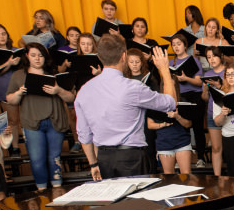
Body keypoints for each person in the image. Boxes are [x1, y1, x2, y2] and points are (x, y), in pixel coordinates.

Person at [75, 34, 177, 179]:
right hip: (131, 157)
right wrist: (165, 70)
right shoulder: (132, 87)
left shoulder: (84, 90)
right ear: (124, 56)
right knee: (136, 201)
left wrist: (93, 164)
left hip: (103, 158)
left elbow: (84, 135)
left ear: (100, 57)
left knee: (114, 202)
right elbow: (170, 103)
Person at [7, 43, 75, 190]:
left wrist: (58, 90)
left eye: (40, 55)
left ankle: (58, 190)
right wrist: (19, 92)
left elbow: (71, 98)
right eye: (33, 55)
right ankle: (42, 191)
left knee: (54, 158)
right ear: (27, 56)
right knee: (37, 160)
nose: (37, 59)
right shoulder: (19, 75)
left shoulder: (55, 73)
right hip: (32, 122)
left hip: (55, 121)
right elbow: (10, 100)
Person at [168, 32, 206, 168]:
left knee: (197, 128)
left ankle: (201, 157)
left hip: (195, 96)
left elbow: (198, 82)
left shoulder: (193, 60)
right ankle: (181, 158)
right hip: (179, 97)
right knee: (180, 127)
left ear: (185, 45)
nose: (176, 47)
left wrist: (185, 79)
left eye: (179, 44)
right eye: (173, 45)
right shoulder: (170, 62)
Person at [123, 47, 162, 170]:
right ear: (127, 63)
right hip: (129, 119)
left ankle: (152, 172)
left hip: (146, 118)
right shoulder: (124, 79)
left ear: (142, 62)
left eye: (137, 62)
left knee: (149, 148)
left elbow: (156, 97)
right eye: (131, 62)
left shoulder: (149, 78)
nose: (134, 65)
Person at [201, 47, 227, 177]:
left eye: (214, 56)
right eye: (209, 57)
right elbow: (205, 98)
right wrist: (205, 90)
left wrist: (219, 86)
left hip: (228, 113)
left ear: (220, 56)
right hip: (213, 112)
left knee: (231, 148)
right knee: (216, 148)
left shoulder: (228, 71)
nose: (212, 59)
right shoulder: (206, 74)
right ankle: (217, 177)